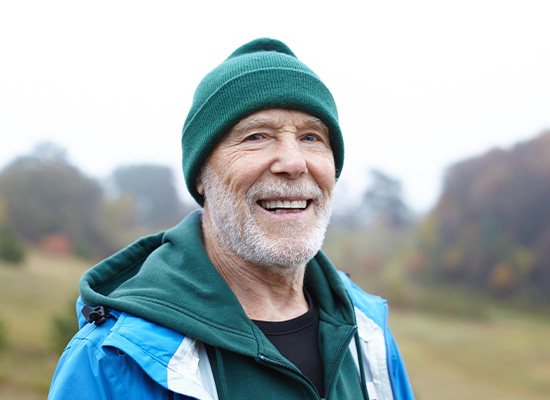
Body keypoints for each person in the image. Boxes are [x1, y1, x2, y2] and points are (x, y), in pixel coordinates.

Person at [49, 38, 414, 400]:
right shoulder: (113, 360)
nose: (293, 162)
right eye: (256, 136)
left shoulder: (367, 332)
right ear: (200, 176)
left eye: (311, 137)